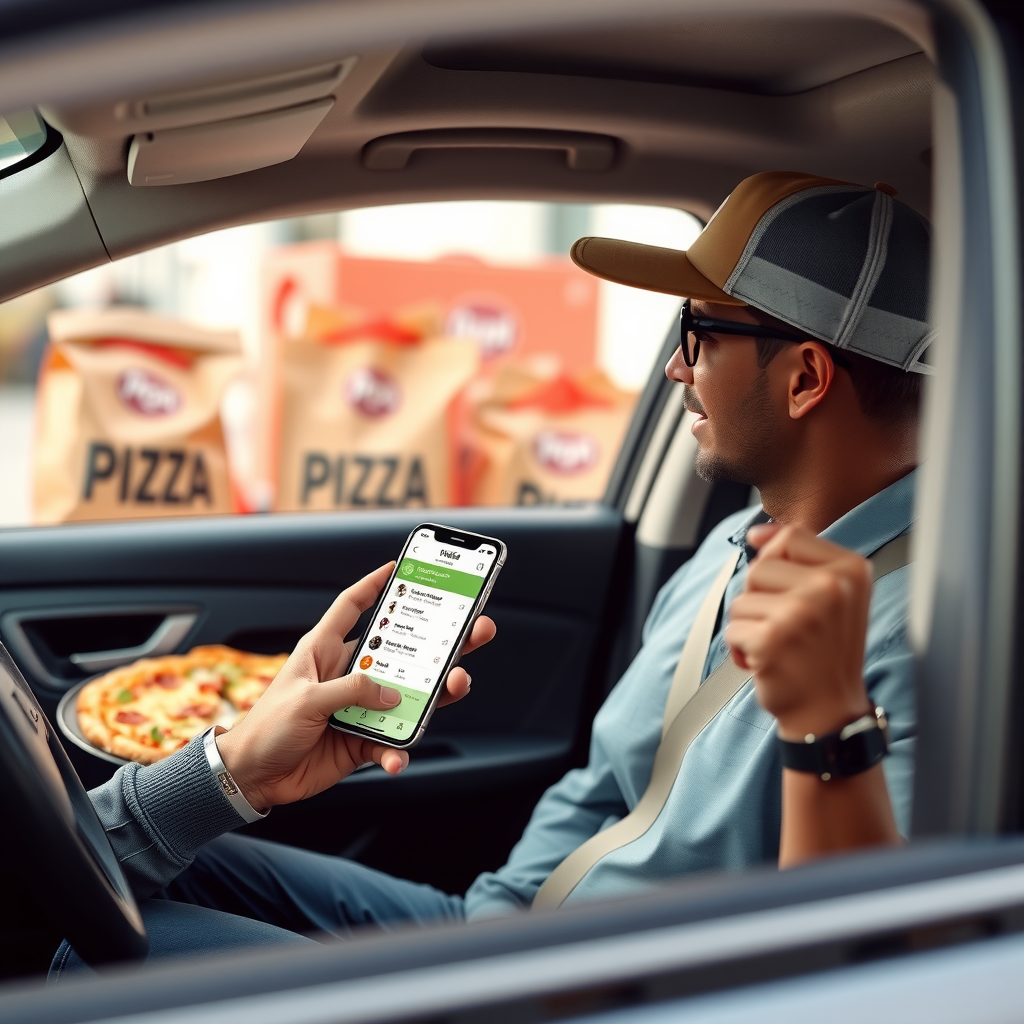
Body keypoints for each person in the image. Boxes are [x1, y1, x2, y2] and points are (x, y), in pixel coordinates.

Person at [54, 170, 930, 973]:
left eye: (697, 333)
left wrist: (826, 725)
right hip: (497, 930)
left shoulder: (919, 634)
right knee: (104, 875)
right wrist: (235, 771)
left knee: (99, 958)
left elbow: (859, 970)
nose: (676, 366)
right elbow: (605, 791)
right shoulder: (731, 544)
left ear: (805, 378)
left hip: (590, 991)